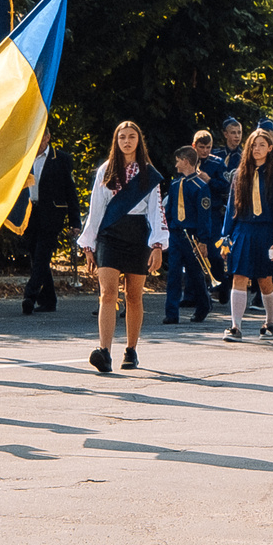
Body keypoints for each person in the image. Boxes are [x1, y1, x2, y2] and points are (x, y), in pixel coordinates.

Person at [76, 121, 166, 374]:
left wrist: (157, 245)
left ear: (139, 141)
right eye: (122, 137)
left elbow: (156, 211)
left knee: (134, 296)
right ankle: (104, 351)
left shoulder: (149, 174)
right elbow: (96, 209)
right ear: (116, 141)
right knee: (107, 293)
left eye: (131, 137)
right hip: (109, 236)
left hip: (137, 236)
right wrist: (88, 244)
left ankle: (131, 349)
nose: (126, 141)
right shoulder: (106, 170)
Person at [221, 128, 273, 340]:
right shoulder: (238, 174)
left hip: (266, 231)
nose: (257, 149)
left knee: (265, 280)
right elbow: (230, 207)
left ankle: (270, 322)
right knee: (239, 277)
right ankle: (236, 327)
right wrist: (225, 236)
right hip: (243, 230)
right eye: (253, 145)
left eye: (262, 145)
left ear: (270, 148)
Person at [19, 132, 77, 316]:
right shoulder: (24, 158)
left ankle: (30, 294)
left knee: (43, 253)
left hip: (52, 213)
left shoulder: (61, 159)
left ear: (48, 137)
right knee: (36, 255)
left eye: (40, 135)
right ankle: (49, 299)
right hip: (30, 213)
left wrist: (74, 221)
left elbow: (71, 191)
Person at [164, 146, 218, 324]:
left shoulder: (200, 187)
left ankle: (203, 305)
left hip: (193, 235)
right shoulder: (174, 184)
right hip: (176, 234)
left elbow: (204, 216)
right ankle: (171, 313)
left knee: (195, 273)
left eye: (178, 160)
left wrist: (203, 240)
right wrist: (169, 229)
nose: (176, 164)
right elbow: (170, 210)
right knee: (173, 273)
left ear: (186, 161)